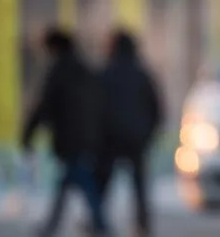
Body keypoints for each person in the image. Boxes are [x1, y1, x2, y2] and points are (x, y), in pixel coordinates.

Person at [21, 28, 108, 237]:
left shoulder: (58, 71)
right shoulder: (85, 70)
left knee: (80, 180)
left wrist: (28, 134)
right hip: (87, 137)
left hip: (69, 138)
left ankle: (98, 223)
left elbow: (43, 105)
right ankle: (63, 223)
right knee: (70, 180)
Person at [95, 30, 162, 237]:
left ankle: (98, 221)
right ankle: (142, 225)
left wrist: (98, 136)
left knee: (103, 183)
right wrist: (148, 134)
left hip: (111, 138)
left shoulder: (106, 73)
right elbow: (156, 108)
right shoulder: (142, 74)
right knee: (139, 186)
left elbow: (96, 109)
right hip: (137, 138)